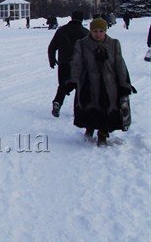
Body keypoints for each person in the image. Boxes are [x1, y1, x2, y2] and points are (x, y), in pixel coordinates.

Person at [68, 17, 135, 146]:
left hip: (110, 84)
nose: (98, 34)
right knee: (90, 108)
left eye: (100, 31)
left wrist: (124, 83)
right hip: (89, 83)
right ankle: (90, 127)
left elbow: (119, 64)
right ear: (90, 31)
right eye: (95, 31)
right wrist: (74, 79)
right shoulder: (82, 44)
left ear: (105, 31)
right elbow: (77, 64)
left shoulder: (114, 44)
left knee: (107, 109)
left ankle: (102, 135)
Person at [47, 10, 88, 117]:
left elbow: (52, 47)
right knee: (80, 87)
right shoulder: (85, 32)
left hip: (63, 63)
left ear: (71, 17)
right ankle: (78, 110)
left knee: (63, 86)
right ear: (82, 19)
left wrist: (52, 59)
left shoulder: (61, 31)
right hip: (79, 65)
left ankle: (57, 102)